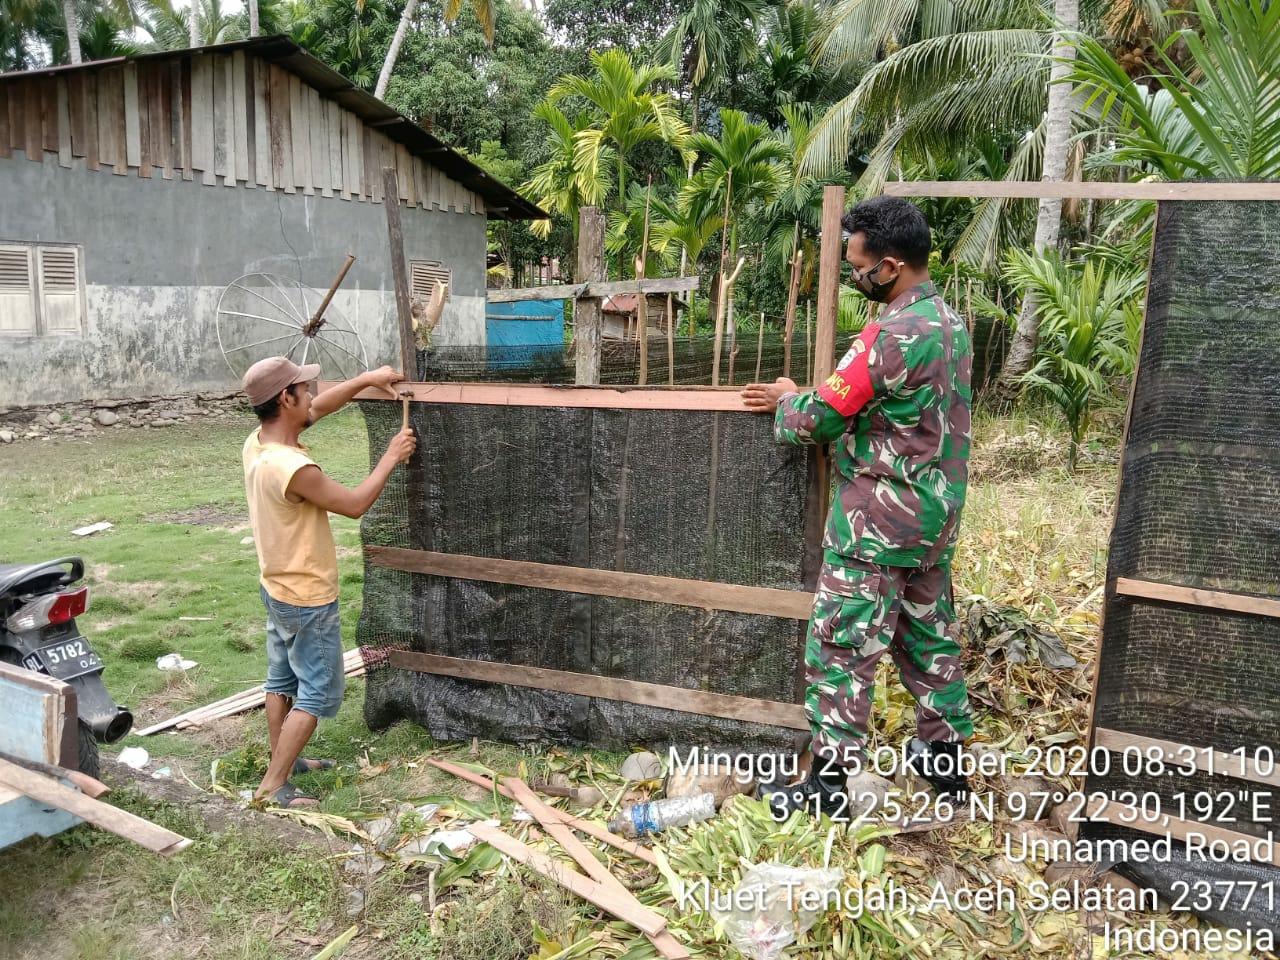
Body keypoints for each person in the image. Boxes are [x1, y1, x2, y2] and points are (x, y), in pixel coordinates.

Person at [742, 196, 974, 819]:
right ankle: (947, 768)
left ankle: (827, 788)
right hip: (933, 517)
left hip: (877, 521)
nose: (853, 276)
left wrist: (789, 398)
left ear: (891, 266)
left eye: (857, 266)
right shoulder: (950, 323)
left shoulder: (891, 333)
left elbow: (818, 418)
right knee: (927, 638)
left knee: (842, 647)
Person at [240, 357, 416, 808]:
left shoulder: (260, 444)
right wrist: (392, 455)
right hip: (307, 597)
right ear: (285, 398)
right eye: (305, 388)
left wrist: (365, 380)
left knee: (281, 678)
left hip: (277, 587)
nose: (313, 394)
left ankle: (285, 760)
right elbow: (356, 503)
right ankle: (273, 786)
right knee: (315, 691)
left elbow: (321, 410)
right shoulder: (295, 470)